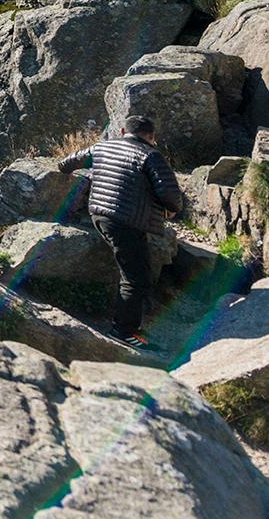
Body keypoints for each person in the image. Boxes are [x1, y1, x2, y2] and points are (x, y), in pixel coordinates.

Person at [57, 114, 184, 347]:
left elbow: (67, 163)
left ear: (124, 132)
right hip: (126, 221)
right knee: (135, 278)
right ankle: (123, 331)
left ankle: (130, 327)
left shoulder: (102, 147)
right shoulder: (151, 155)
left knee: (139, 269)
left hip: (99, 214)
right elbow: (170, 194)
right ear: (151, 137)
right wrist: (172, 209)